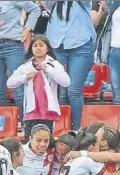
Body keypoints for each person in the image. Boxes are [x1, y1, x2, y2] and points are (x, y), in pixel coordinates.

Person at [41, 1, 96, 130]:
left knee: (73, 91)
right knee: (61, 92)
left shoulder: (83, 3)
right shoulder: (54, 4)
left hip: (81, 47)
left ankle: (76, 130)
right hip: (58, 47)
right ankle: (62, 129)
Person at [0, 1, 40, 123]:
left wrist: (28, 28)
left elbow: (35, 9)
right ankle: (1, 127)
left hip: (13, 45)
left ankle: (26, 124)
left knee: (18, 88)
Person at [7, 35, 70, 138]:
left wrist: (48, 70)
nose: (38, 48)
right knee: (29, 140)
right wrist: (25, 77)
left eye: (41, 45)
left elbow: (66, 82)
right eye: (35, 45)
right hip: (31, 111)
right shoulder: (26, 65)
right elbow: (10, 83)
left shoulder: (54, 64)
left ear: (47, 48)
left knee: (45, 141)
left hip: (48, 110)